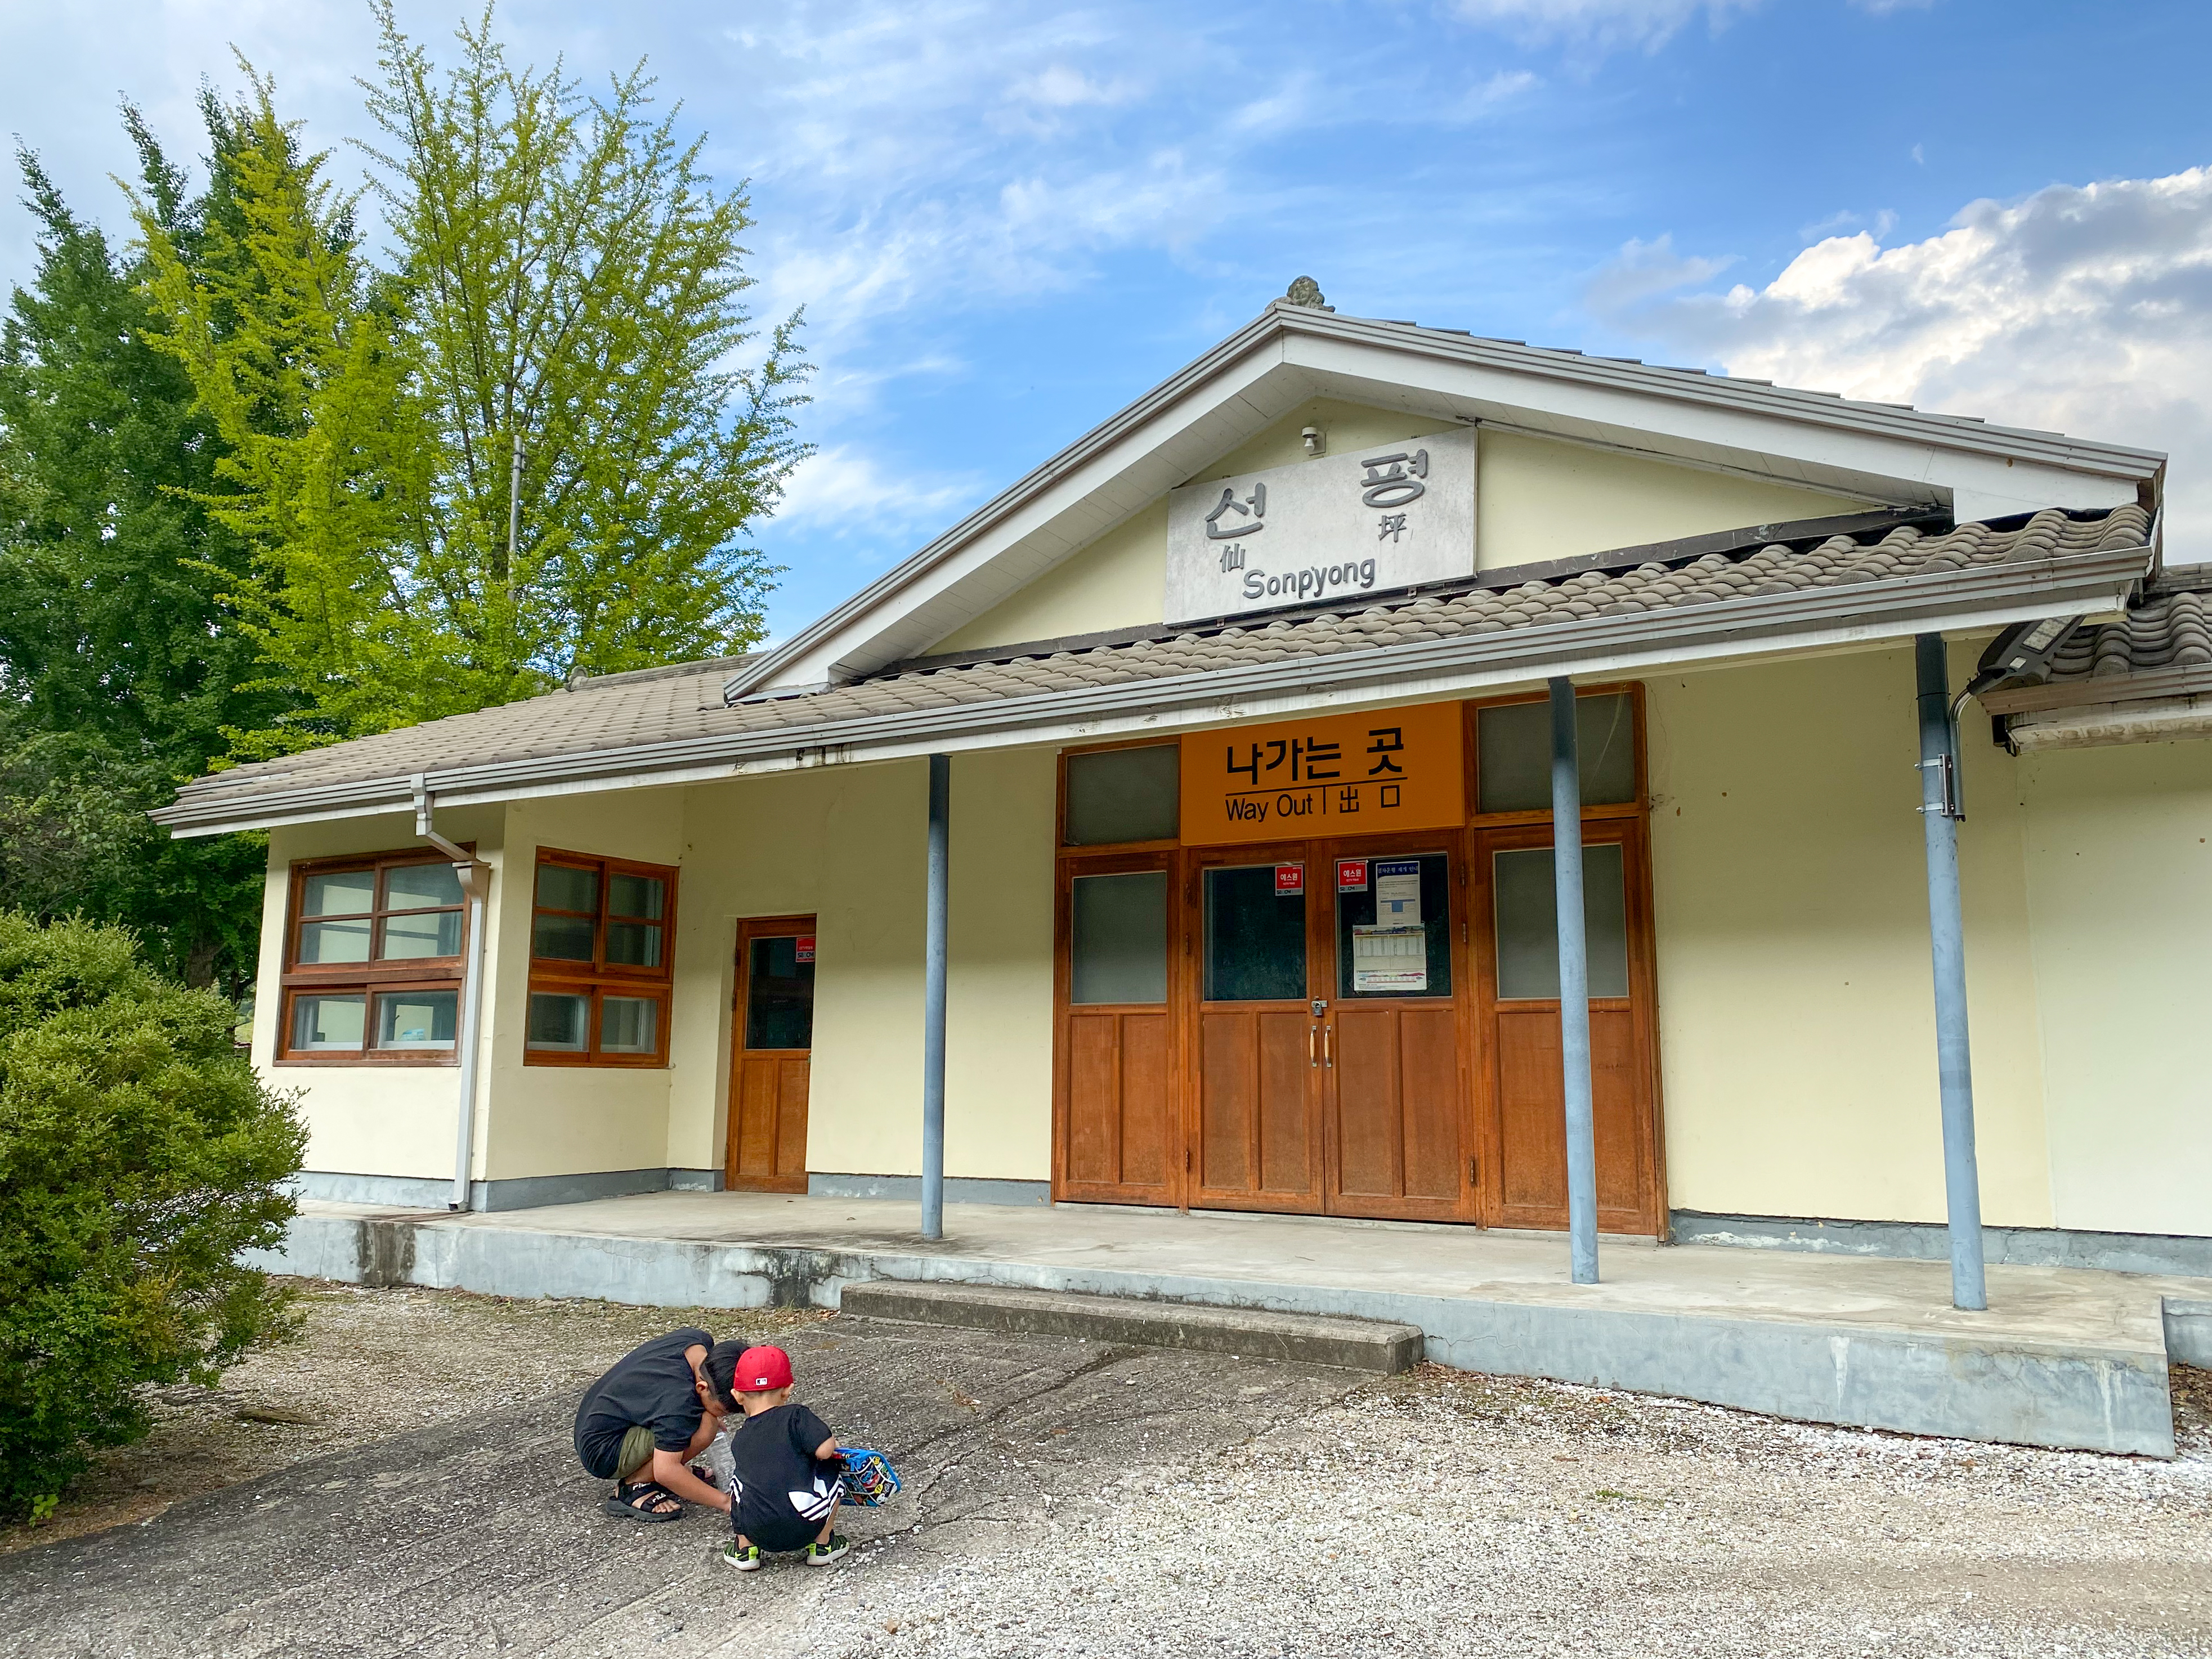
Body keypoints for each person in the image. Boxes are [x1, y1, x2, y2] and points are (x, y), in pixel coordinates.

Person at [706, 1343, 852, 1570]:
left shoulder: (741, 1438)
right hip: (805, 1525)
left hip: (758, 1529)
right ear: (787, 1390)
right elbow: (824, 1451)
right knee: (831, 1468)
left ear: (737, 1395)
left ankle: (744, 1550)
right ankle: (823, 1545)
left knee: (740, 1483)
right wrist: (831, 1444)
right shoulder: (796, 1417)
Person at [572, 1325, 737, 1522]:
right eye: (723, 1411)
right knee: (706, 1425)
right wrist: (727, 1503)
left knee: (697, 1417)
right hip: (603, 1450)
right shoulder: (680, 1402)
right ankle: (634, 1486)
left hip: (598, 1421)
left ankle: (662, 1473)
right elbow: (666, 1471)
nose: (723, 1417)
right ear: (702, 1387)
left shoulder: (697, 1341)